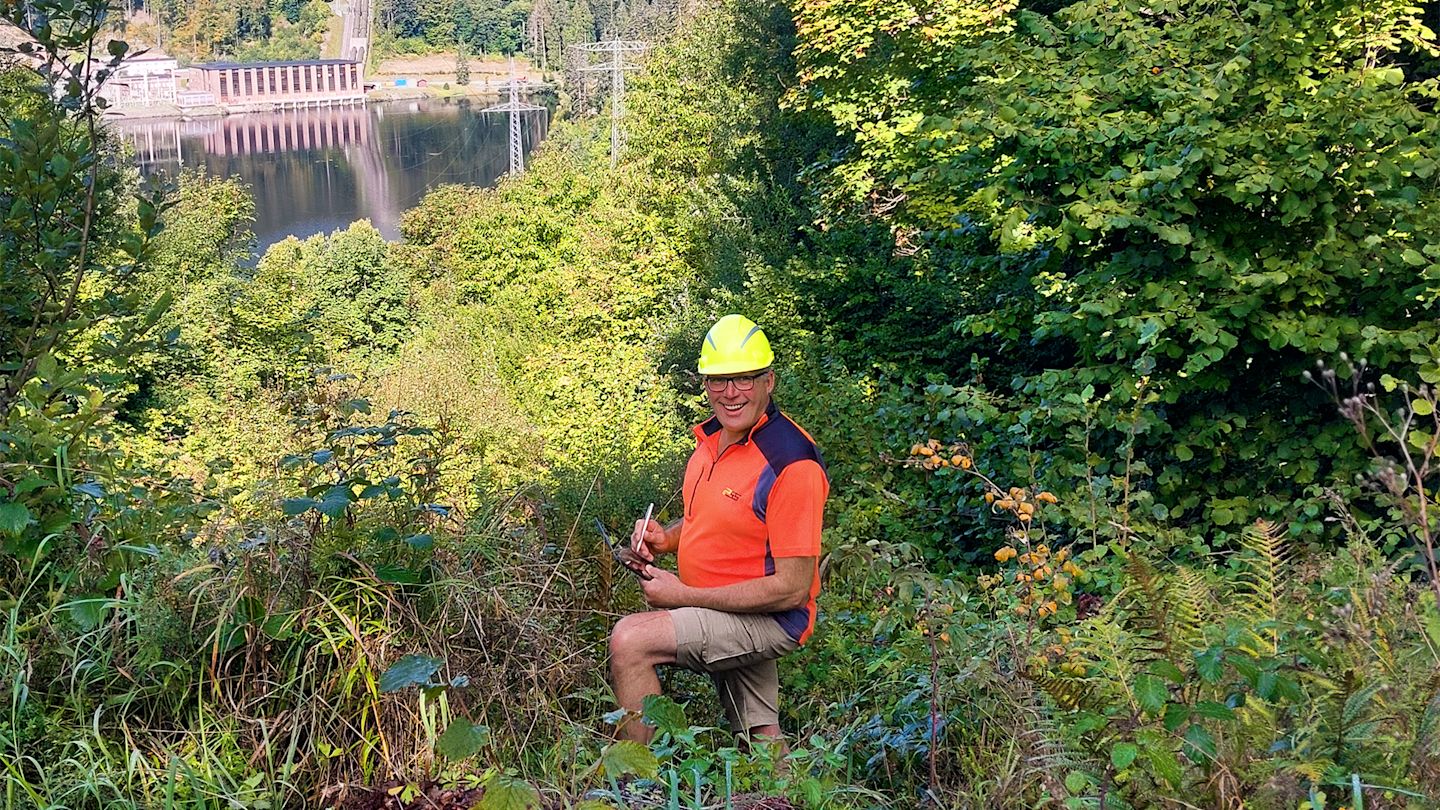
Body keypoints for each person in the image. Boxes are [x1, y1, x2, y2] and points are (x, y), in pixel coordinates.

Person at [609, 314, 829, 745]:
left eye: (744, 378)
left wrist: (681, 596)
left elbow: (792, 589)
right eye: (718, 380)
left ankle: (641, 787)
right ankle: (785, 797)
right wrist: (665, 538)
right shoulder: (713, 439)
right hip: (727, 606)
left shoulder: (791, 463)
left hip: (768, 618)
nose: (730, 393)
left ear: (770, 381)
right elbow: (705, 521)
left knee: (630, 640)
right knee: (761, 735)